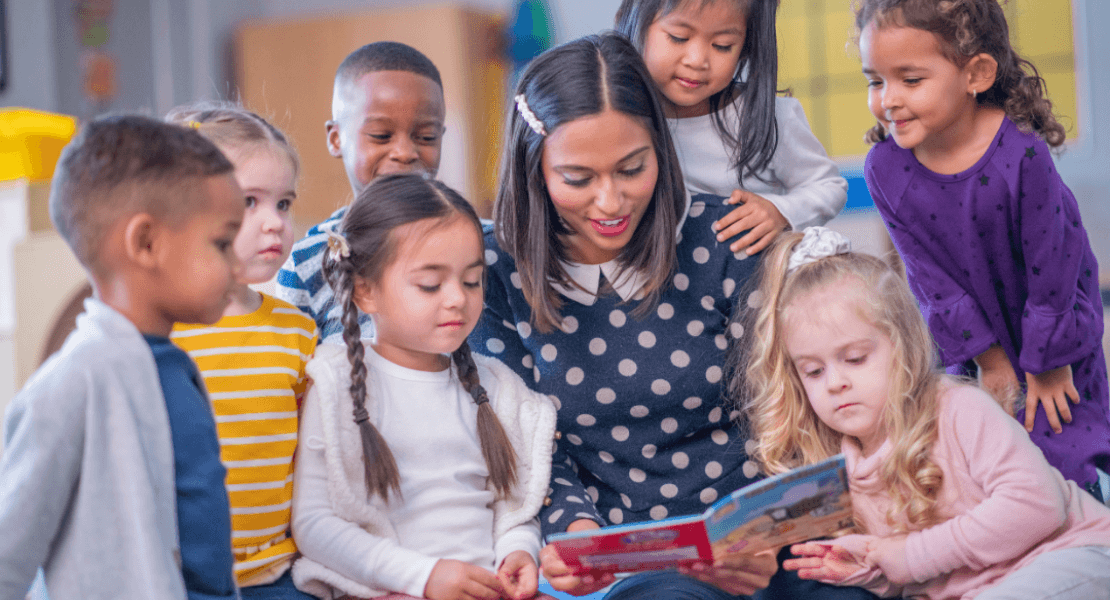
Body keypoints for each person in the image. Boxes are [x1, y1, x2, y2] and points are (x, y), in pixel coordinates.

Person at [470, 32, 876, 600]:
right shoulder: (492, 269)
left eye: (631, 168)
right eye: (578, 179)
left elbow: (777, 407)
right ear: (534, 169)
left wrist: (765, 535)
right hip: (625, 555)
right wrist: (577, 535)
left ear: (660, 148)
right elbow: (523, 433)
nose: (610, 202)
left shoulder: (725, 237)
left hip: (761, 532)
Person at [739, 227, 1110, 599]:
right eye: (814, 371)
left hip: (1069, 555)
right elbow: (916, 573)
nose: (835, 383)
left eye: (855, 359)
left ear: (903, 347)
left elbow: (1038, 506)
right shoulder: (841, 468)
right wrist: (871, 568)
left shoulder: (959, 408)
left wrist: (908, 556)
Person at [856, 0, 1110, 499]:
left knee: (1066, 445)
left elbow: (1054, 265)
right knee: (985, 460)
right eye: (875, 81)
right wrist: (989, 361)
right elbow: (931, 281)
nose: (888, 99)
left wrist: (1048, 360)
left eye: (910, 80)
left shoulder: (1023, 153)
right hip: (972, 339)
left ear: (975, 74)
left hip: (1052, 326)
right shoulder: (884, 170)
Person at [0, 115, 243, 600]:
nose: (237, 266)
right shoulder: (74, 380)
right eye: (222, 243)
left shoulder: (173, 365)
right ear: (146, 243)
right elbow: (9, 551)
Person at [289, 174, 558, 600]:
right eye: (431, 284)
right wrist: (423, 576)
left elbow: (513, 505)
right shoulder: (336, 382)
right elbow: (314, 525)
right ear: (365, 291)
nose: (457, 299)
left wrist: (517, 550)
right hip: (388, 589)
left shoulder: (495, 387)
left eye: (472, 281)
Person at [166, 103, 319, 599]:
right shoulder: (163, 331)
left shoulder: (298, 332)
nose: (274, 223)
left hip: (277, 574)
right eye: (250, 201)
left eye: (284, 203)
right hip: (179, 578)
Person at [614, 0, 847, 256]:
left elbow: (829, 186)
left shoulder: (769, 117)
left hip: (756, 275)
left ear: (746, 47)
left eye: (722, 45)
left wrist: (780, 211)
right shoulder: (618, 118)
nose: (697, 60)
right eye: (679, 37)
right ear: (633, 20)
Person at [276, 41, 446, 346]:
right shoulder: (307, 263)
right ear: (336, 139)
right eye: (381, 136)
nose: (405, 152)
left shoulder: (484, 246)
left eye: (426, 137)